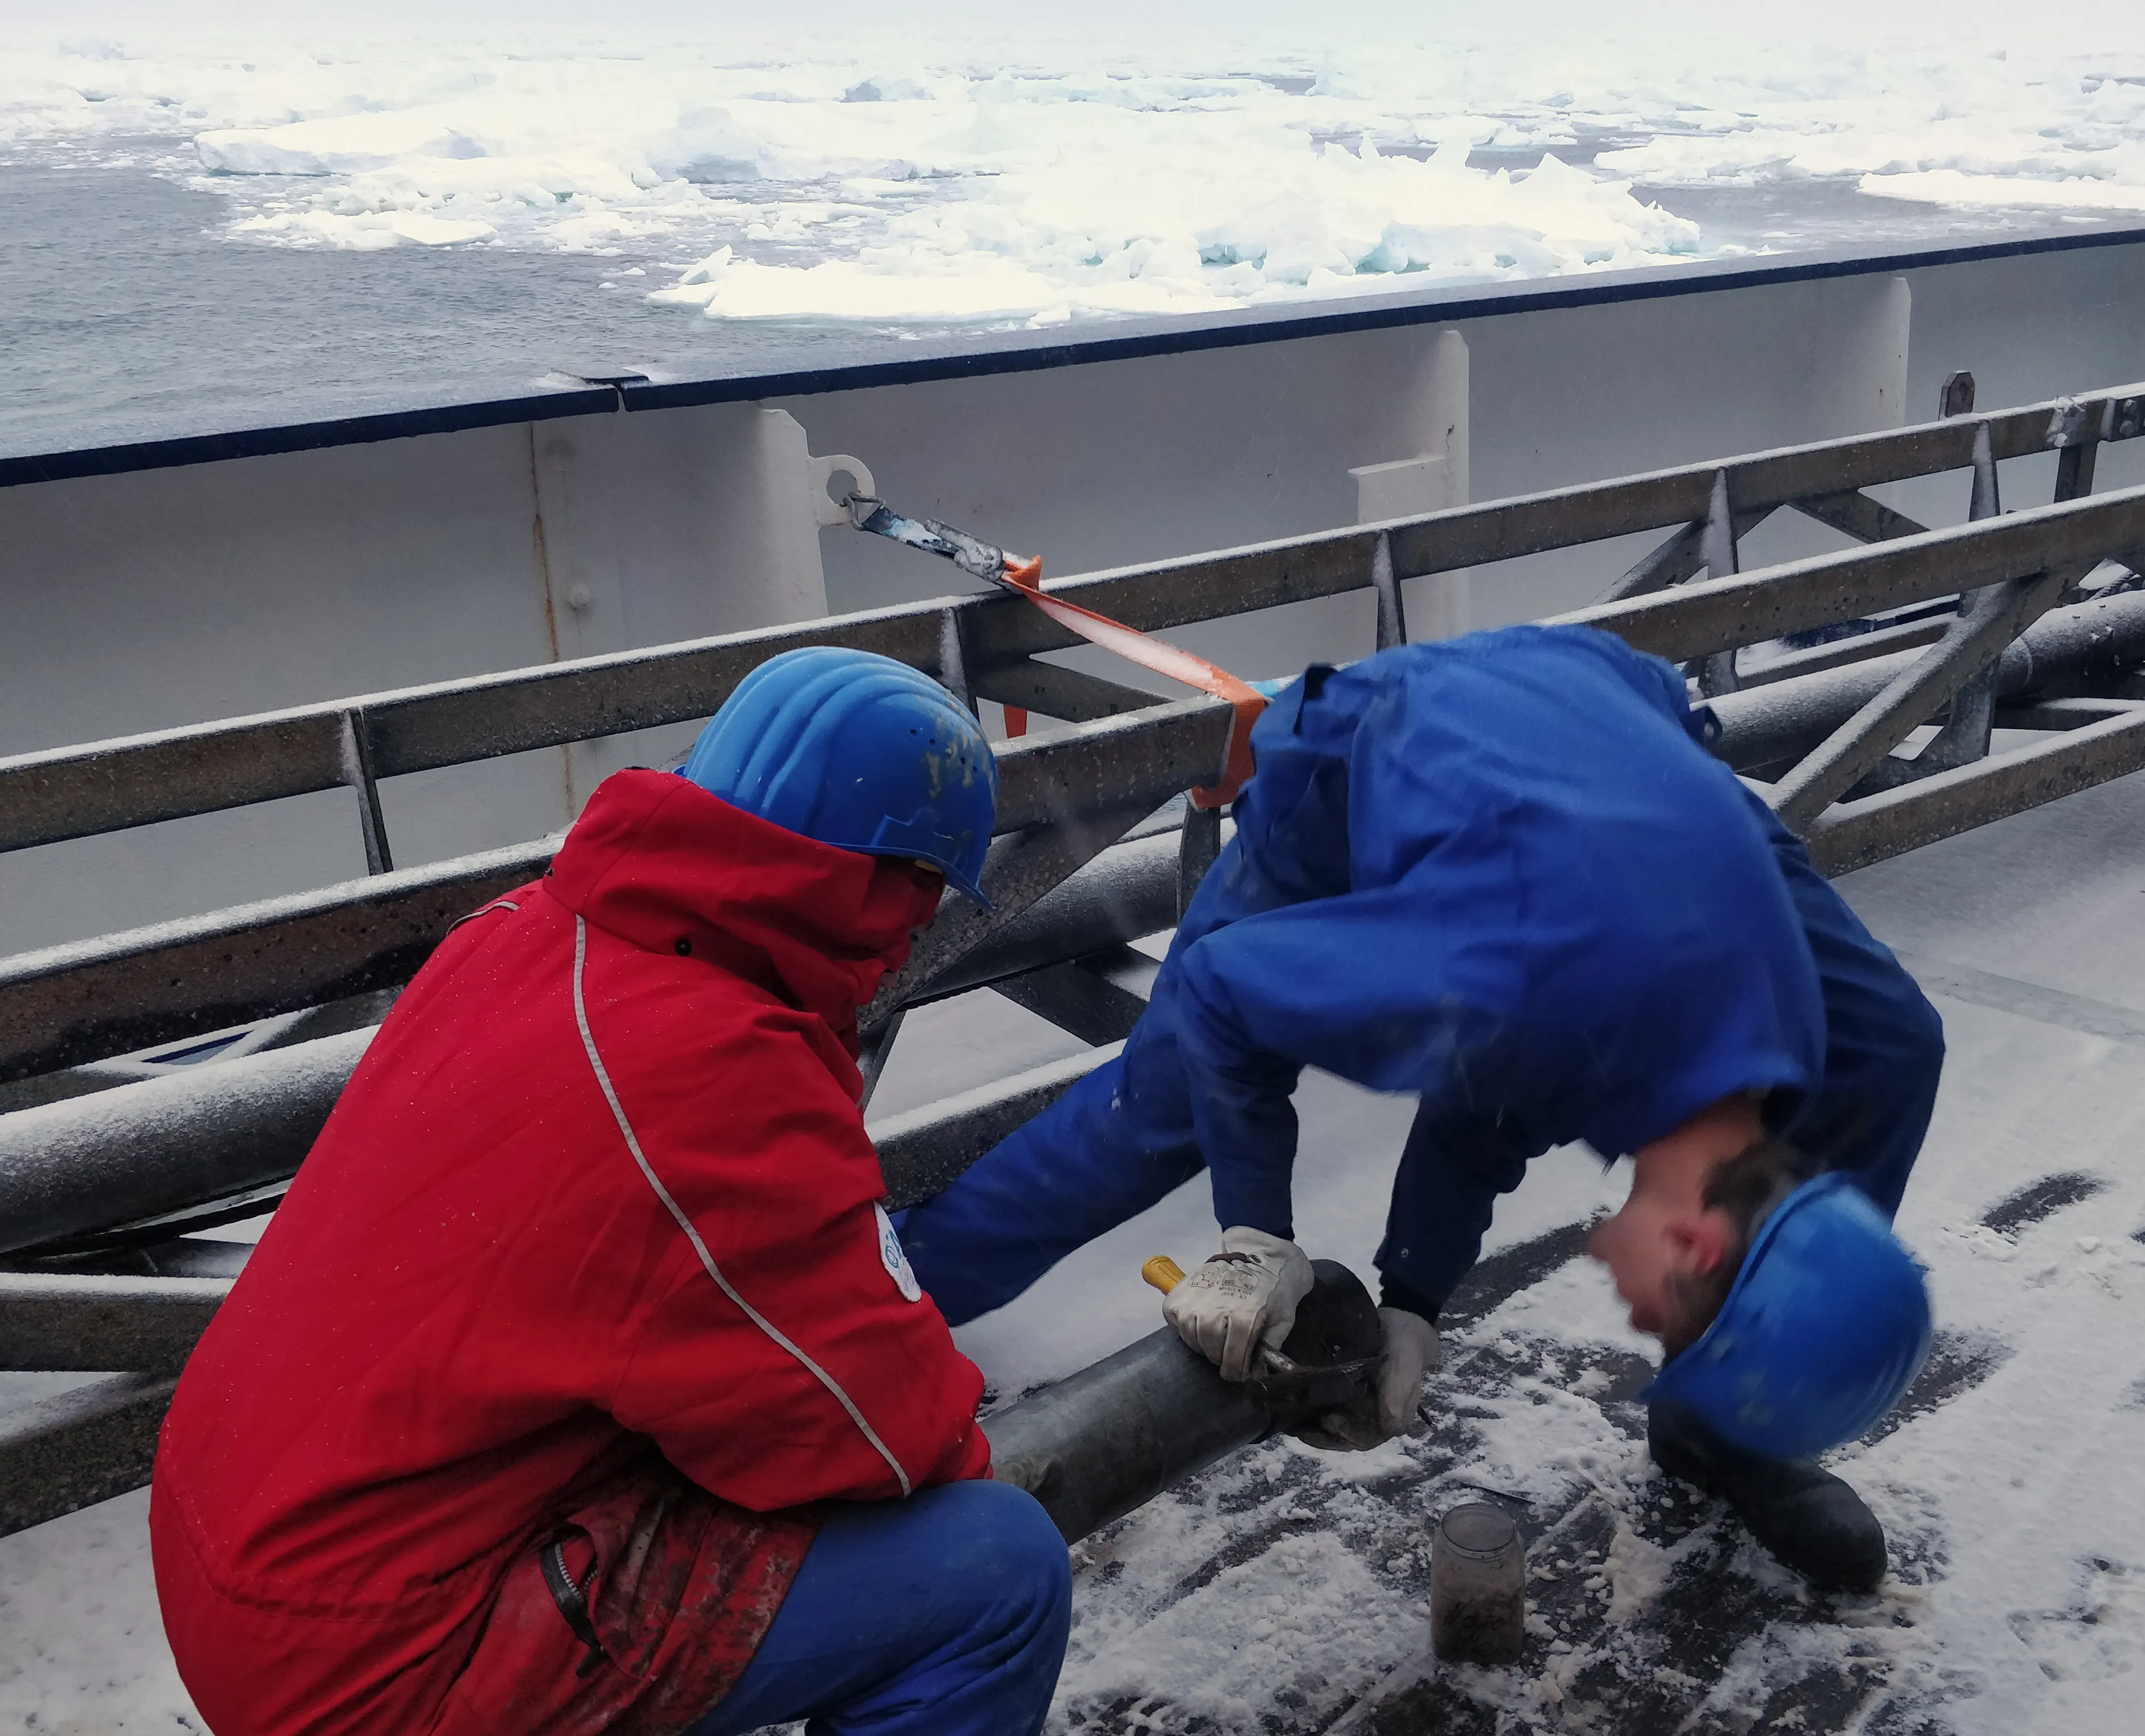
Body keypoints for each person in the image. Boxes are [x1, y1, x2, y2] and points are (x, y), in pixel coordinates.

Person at [897, 623, 1942, 1593]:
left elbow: (1515, 1078)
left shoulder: (1780, 1038)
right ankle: (887, 1289)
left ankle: (1728, 1429)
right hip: (1375, 750)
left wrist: (1414, 1303)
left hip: (1609, 723)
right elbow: (1228, 988)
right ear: (1695, 1240)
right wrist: (1256, 1228)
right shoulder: (1514, 986)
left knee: (1891, 1041)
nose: (1628, 1318)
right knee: (1170, 1105)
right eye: (1655, 1316)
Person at [149, 648, 1070, 1736]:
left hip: (238, 1552)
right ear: (882, 886)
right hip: (375, 1663)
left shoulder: (517, 933)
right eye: (913, 918)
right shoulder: (715, 1067)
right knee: (992, 1573)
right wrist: (966, 1474)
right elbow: (870, 1434)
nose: (902, 953)